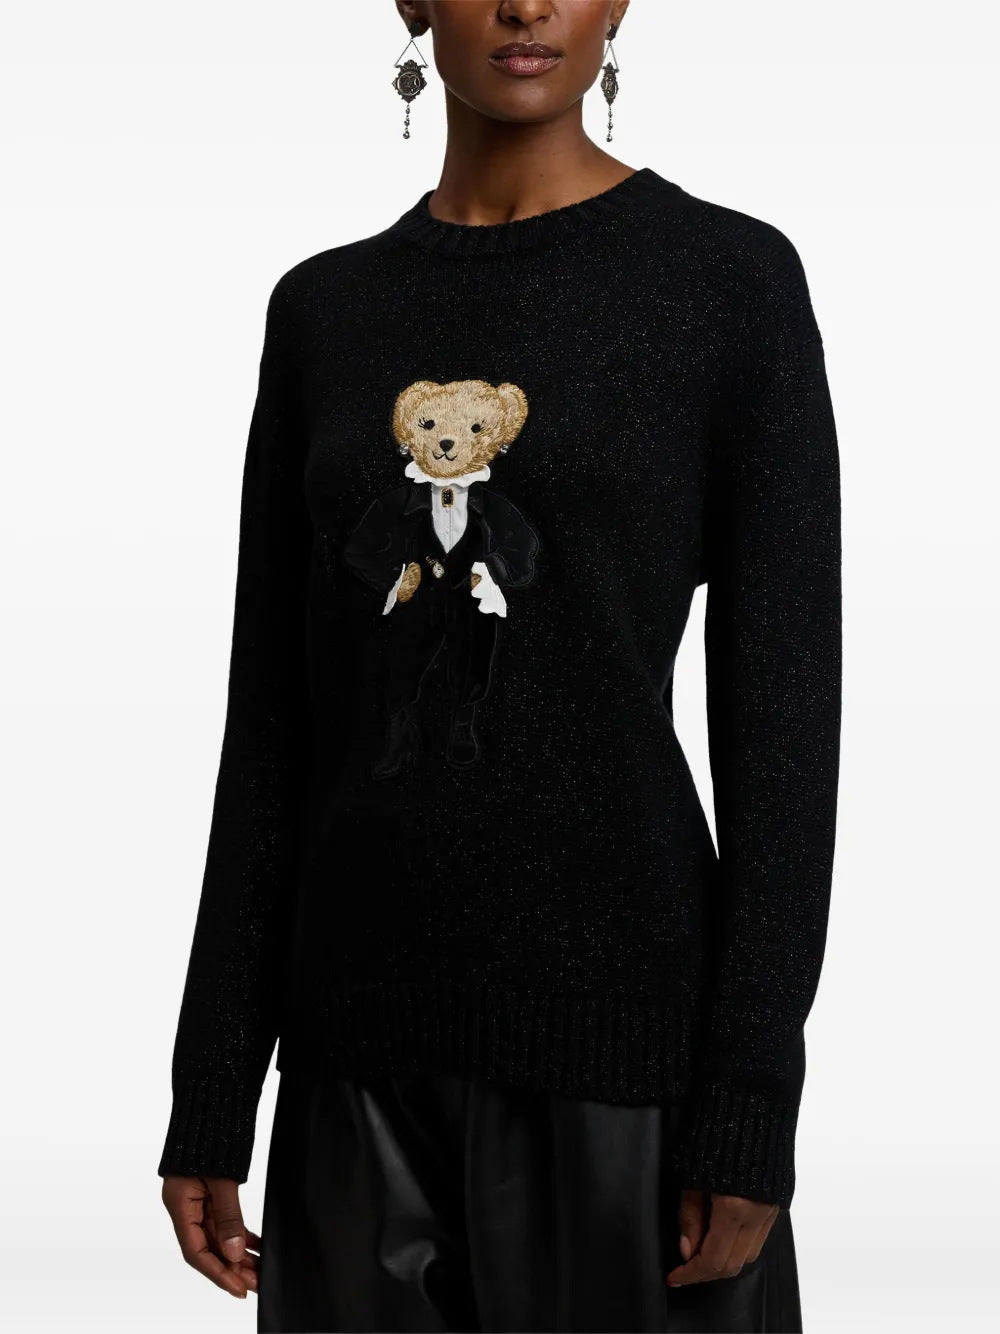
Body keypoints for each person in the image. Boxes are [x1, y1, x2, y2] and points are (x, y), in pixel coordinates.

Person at [158, 2, 842, 1331]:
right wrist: (215, 1082)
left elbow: (786, 731)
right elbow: (274, 721)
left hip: (626, 1063)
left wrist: (752, 1108)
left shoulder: (729, 284)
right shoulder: (325, 311)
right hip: (354, 1058)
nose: (526, 3)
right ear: (412, 1)